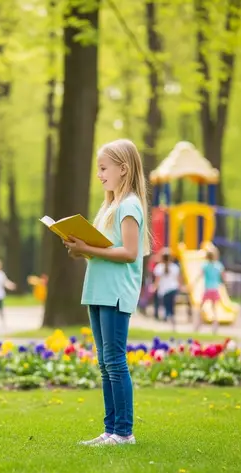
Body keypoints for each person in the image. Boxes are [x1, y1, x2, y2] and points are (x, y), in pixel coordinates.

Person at [63, 138, 149, 447]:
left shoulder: (129, 205)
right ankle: (111, 430)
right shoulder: (111, 205)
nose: (99, 175)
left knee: (115, 361)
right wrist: (80, 251)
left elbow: (128, 252)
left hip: (114, 293)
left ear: (123, 169)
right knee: (105, 363)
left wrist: (86, 248)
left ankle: (124, 432)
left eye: (103, 168)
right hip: (98, 291)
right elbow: (104, 251)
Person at [193, 246, 225, 334]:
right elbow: (223, 277)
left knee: (200, 307)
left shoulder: (205, 265)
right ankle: (215, 326)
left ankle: (198, 324)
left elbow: (200, 275)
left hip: (207, 290)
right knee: (214, 309)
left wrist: (194, 283)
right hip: (215, 289)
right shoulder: (218, 265)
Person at [152, 248, 181, 330]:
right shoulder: (175, 267)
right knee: (170, 306)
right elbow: (178, 279)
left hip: (165, 290)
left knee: (166, 306)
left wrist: (154, 287)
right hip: (173, 288)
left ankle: (168, 320)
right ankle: (172, 322)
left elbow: (157, 280)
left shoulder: (159, 267)